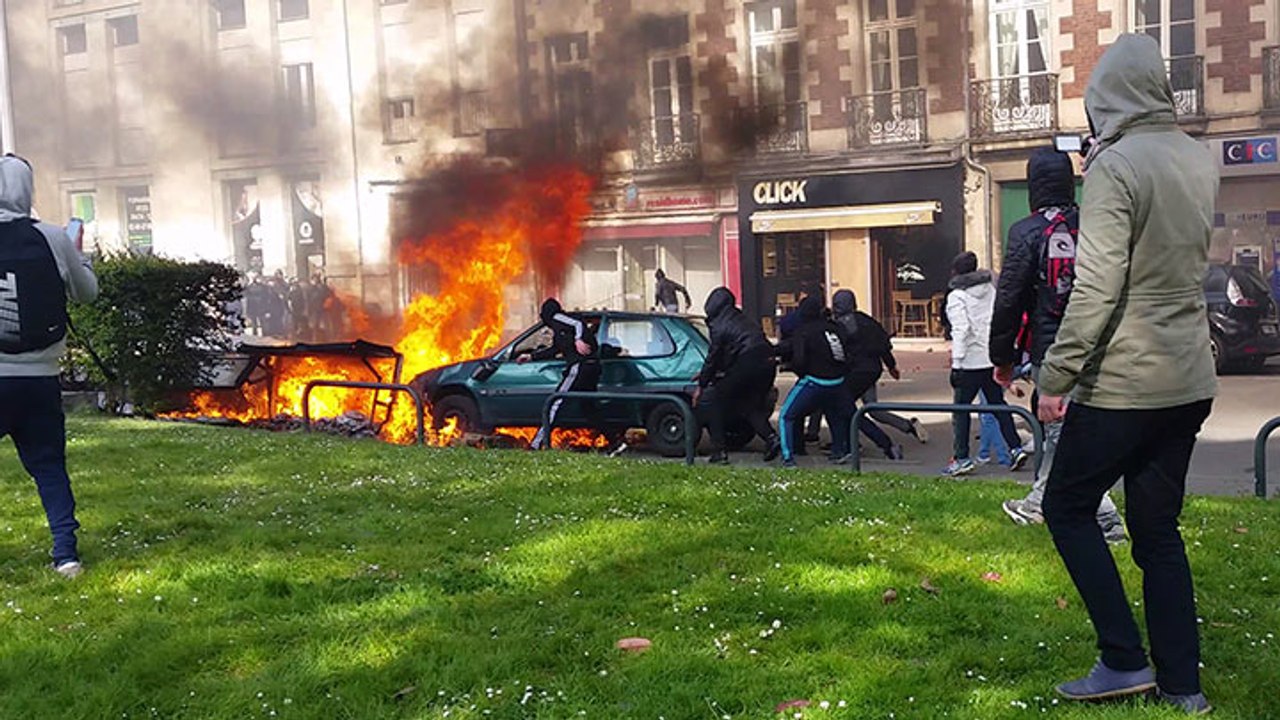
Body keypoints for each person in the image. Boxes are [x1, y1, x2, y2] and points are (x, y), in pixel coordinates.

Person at [1036, 34, 1219, 715]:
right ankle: (1183, 685)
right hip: (1189, 376)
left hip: (1125, 380)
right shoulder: (1197, 157)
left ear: (1107, 97)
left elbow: (1096, 287)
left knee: (1066, 506)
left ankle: (1122, 658)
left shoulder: (1114, 166)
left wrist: (1056, 376)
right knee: (1158, 530)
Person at [990, 146, 1125, 542]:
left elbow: (1010, 299)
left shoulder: (1026, 232)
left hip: (1052, 347)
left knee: (1062, 431)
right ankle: (1046, 504)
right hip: (1099, 343)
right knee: (1068, 430)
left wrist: (1003, 358)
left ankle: (1099, 517)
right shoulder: (1091, 225)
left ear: (1033, 186)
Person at [0, 154, 98, 579]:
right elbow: (87, 294)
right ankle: (66, 555)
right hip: (39, 378)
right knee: (49, 467)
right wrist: (80, 255)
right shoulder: (54, 238)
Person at [942, 251, 1028, 477]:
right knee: (998, 405)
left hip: (969, 362)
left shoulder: (957, 296)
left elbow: (961, 329)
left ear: (955, 272)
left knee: (961, 411)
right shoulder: (990, 289)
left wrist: (957, 362)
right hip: (990, 358)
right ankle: (1015, 448)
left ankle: (961, 458)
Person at [694, 287, 780, 464]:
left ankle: (719, 451)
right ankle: (772, 438)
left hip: (748, 361)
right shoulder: (742, 318)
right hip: (768, 362)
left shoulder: (718, 324)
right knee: (748, 404)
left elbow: (715, 356)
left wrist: (702, 383)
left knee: (714, 400)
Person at [776, 295, 853, 468]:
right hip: (837, 381)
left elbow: (799, 360)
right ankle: (839, 451)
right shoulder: (835, 328)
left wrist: (794, 368)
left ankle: (788, 458)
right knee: (835, 416)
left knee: (786, 416)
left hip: (814, 380)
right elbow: (844, 354)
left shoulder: (803, 331)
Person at [830, 289, 903, 460]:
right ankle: (852, 443)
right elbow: (884, 346)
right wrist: (891, 366)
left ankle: (870, 444)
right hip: (873, 369)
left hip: (855, 371)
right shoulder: (867, 321)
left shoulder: (840, 325)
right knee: (860, 407)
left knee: (843, 407)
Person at [522, 298, 600, 451]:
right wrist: (531, 357)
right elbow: (555, 349)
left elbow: (578, 324)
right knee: (589, 407)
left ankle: (536, 444)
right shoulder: (561, 332)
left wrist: (578, 339)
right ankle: (615, 442)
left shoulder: (557, 317)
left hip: (579, 367)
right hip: (591, 368)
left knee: (554, 403)